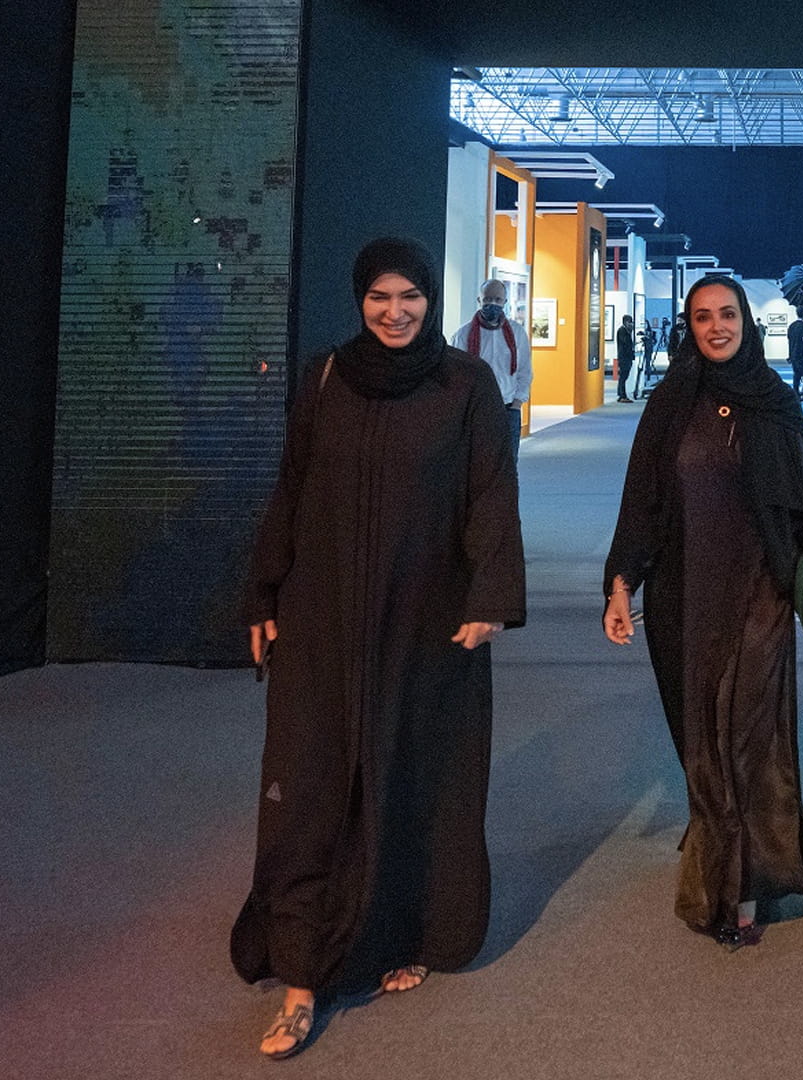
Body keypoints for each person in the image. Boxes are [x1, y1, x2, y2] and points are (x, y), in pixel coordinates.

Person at [236, 238, 526, 1058]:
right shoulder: (326, 378)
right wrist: (263, 593)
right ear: (360, 298)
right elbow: (292, 487)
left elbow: (490, 491)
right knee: (310, 780)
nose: (395, 312)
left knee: (412, 774)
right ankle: (301, 975)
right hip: (322, 614)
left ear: (431, 301)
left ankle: (405, 929)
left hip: (425, 616)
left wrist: (491, 597)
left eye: (410, 297)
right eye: (379, 297)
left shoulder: (464, 384)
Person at [603, 275, 803, 950]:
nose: (716, 327)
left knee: (746, 732)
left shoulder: (774, 399)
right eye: (702, 316)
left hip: (760, 586)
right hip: (683, 592)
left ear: (745, 321)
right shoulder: (670, 403)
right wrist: (621, 582)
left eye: (727, 314)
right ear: (689, 326)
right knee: (702, 732)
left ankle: (739, 881)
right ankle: (719, 840)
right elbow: (641, 499)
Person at [449, 278, 533, 467]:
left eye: (497, 299)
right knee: (475, 463)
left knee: (507, 464)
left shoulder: (517, 333)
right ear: (479, 300)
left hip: (508, 408)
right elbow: (456, 374)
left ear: (505, 302)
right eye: (487, 299)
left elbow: (524, 371)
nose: (492, 304)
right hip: (475, 410)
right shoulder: (463, 335)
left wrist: (517, 403)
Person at [786, 307, 803, 401]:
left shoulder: (791, 326)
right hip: (801, 354)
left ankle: (796, 394)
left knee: (797, 375)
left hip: (793, 354)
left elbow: (789, 340)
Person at [616, 314, 637, 402]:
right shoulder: (622, 331)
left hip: (627, 357)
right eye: (629, 322)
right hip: (624, 357)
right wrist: (630, 332)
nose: (631, 324)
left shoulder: (626, 331)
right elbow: (626, 343)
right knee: (623, 376)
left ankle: (621, 394)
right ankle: (622, 395)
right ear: (625, 322)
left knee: (624, 376)